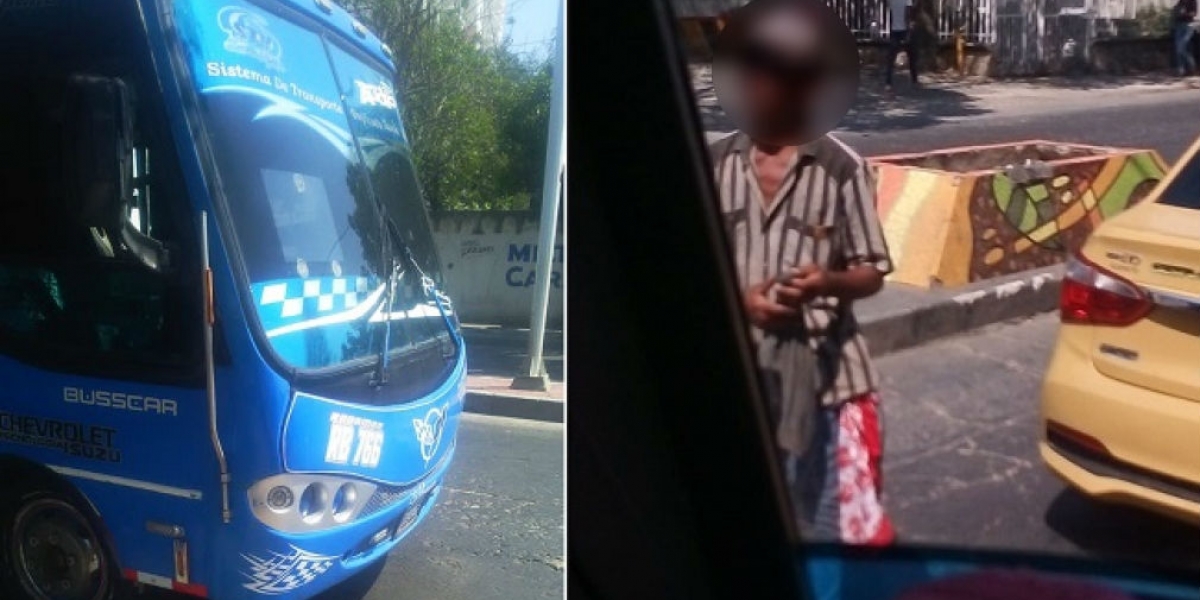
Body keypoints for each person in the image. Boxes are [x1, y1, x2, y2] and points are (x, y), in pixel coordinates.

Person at [709, 0, 895, 546]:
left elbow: (873, 271)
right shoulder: (715, 167)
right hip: (749, 380)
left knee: (833, 538)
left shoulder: (842, 168)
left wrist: (828, 283)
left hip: (829, 385)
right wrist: (742, 302)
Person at [884, 0, 918, 92]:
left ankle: (888, 82)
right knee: (912, 55)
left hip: (895, 30)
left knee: (891, 57)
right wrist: (908, 31)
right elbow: (907, 15)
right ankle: (914, 80)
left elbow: (891, 14)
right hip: (904, 30)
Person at [1173, 0, 1197, 77]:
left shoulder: (1193, 1)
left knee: (1181, 47)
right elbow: (1176, 12)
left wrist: (1184, 13)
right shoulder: (1181, 1)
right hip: (1179, 25)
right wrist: (1176, 11)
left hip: (1188, 25)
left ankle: (1192, 65)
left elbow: (1194, 13)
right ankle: (1181, 70)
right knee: (1178, 48)